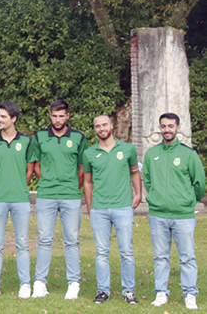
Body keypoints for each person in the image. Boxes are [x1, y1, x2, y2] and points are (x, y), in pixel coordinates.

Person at [143, 112, 206, 310]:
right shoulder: (151, 154)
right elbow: (148, 180)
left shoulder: (189, 154)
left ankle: (190, 294)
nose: (167, 130)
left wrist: (189, 201)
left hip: (183, 216)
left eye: (171, 126)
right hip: (158, 215)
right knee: (160, 257)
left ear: (178, 128)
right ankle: (161, 293)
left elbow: (199, 183)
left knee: (187, 257)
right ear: (159, 128)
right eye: (163, 126)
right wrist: (156, 197)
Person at [31, 99, 87, 299]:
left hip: (70, 196)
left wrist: (73, 186)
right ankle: (39, 283)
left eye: (61, 116)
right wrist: (46, 181)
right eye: (54, 116)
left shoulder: (78, 138)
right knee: (44, 239)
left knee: (71, 240)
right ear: (50, 116)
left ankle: (73, 283)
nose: (57, 120)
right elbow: (36, 165)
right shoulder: (40, 137)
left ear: (67, 116)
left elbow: (83, 167)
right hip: (46, 195)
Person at [82, 114, 141, 304]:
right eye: (97, 126)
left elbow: (134, 172)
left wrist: (138, 194)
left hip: (123, 207)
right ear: (95, 129)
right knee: (101, 252)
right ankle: (103, 291)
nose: (101, 129)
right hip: (99, 209)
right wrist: (90, 206)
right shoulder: (89, 153)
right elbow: (88, 182)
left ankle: (128, 291)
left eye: (104, 125)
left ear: (112, 125)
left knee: (126, 252)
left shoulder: (128, 149)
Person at [0, 102, 35, 299]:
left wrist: (19, 185)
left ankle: (25, 285)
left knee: (22, 243)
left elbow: (30, 170)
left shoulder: (27, 142)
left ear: (14, 119)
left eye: (3, 116)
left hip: (20, 199)